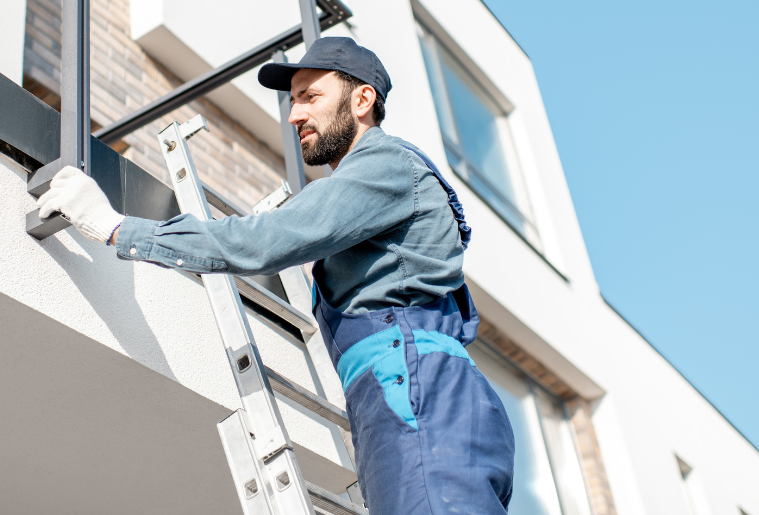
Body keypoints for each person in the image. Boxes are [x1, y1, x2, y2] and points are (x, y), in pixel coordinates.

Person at [37, 36, 515, 515]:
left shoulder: (385, 166)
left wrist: (118, 228)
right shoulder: (376, 188)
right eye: (292, 101)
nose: (294, 115)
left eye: (311, 97)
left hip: (416, 396)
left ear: (363, 99)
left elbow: (262, 240)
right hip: (413, 401)